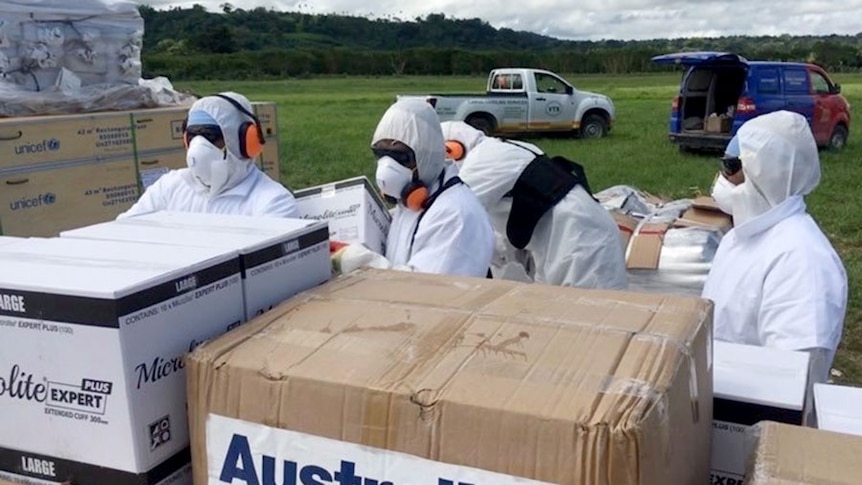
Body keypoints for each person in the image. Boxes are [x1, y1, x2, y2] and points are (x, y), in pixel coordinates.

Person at [704, 110, 848, 423]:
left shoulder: (803, 262)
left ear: (766, 172)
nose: (722, 178)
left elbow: (789, 386)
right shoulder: (739, 238)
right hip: (717, 409)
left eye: (731, 167)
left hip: (755, 430)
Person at [444, 121, 627, 290]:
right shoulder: (506, 148)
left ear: (452, 150)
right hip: (566, 240)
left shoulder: (484, 161)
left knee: (589, 315)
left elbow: (452, 215)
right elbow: (500, 225)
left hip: (582, 241)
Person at [330, 100, 495, 278]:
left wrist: (354, 260)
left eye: (400, 156)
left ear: (428, 157)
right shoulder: (413, 202)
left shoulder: (455, 216)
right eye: (380, 154)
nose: (387, 167)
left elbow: (421, 289)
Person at [117, 92, 298, 219]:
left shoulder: (273, 203)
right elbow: (125, 232)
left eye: (211, 136)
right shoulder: (169, 187)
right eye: (194, 136)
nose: (199, 146)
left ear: (245, 142)